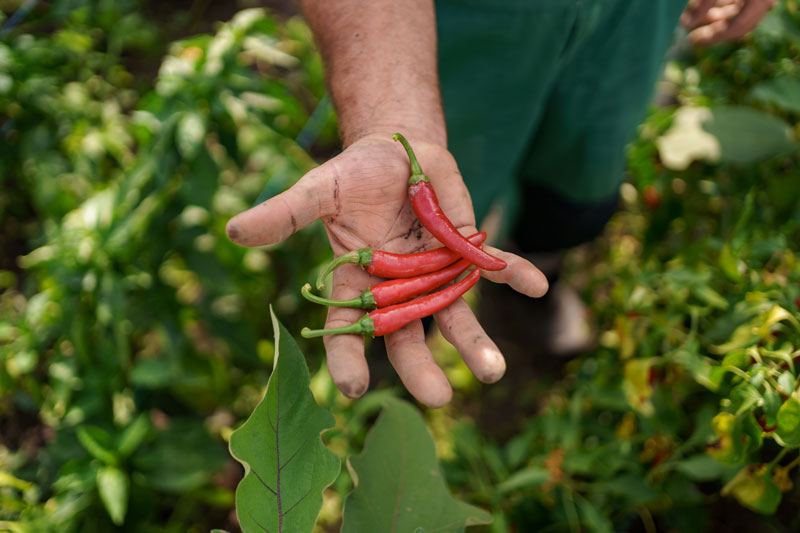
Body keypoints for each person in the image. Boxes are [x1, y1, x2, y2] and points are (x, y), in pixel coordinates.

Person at [225, 0, 776, 408]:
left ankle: (547, 265)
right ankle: (386, 349)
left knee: (585, 167)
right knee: (446, 179)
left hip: (636, 16)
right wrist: (394, 116)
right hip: (462, 20)